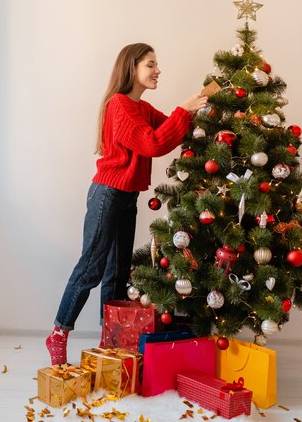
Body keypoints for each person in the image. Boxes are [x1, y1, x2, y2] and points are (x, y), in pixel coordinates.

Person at [45, 43, 208, 365]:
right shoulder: (119, 105)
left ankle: (111, 337)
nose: (157, 70)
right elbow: (152, 143)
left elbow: (172, 130)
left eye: (156, 64)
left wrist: (203, 112)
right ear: (131, 68)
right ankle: (58, 334)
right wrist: (184, 109)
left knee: (117, 273)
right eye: (150, 64)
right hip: (107, 194)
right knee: (90, 268)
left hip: (127, 197)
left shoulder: (142, 109)